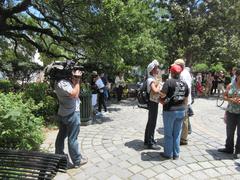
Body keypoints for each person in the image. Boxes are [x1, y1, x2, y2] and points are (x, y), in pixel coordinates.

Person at [54, 69, 88, 169]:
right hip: (71, 114)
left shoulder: (58, 82)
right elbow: (74, 94)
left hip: (63, 112)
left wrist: (74, 81)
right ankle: (77, 161)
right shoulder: (63, 83)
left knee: (61, 136)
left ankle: (59, 156)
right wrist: (77, 81)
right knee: (73, 138)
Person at [159, 64, 189, 159]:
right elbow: (186, 99)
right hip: (181, 110)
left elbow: (163, 95)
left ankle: (168, 154)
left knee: (168, 133)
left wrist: (159, 94)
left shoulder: (169, 82)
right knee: (177, 133)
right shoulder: (184, 83)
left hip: (170, 111)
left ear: (171, 72)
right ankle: (176, 154)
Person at [218, 68, 240, 159]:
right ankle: (229, 148)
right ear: (237, 76)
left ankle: (238, 151)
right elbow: (225, 97)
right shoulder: (230, 85)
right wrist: (231, 99)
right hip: (231, 112)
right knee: (230, 132)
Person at [174, 59, 193, 145]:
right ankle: (182, 137)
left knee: (184, 119)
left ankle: (183, 139)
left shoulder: (183, 74)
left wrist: (183, 100)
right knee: (184, 118)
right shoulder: (185, 73)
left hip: (184, 100)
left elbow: (187, 88)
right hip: (184, 99)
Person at [144, 60, 162, 150]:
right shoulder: (151, 79)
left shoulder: (152, 78)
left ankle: (147, 140)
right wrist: (159, 85)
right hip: (152, 102)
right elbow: (155, 90)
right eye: (156, 68)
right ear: (151, 70)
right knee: (152, 122)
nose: (157, 69)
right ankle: (150, 143)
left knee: (150, 121)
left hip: (154, 102)